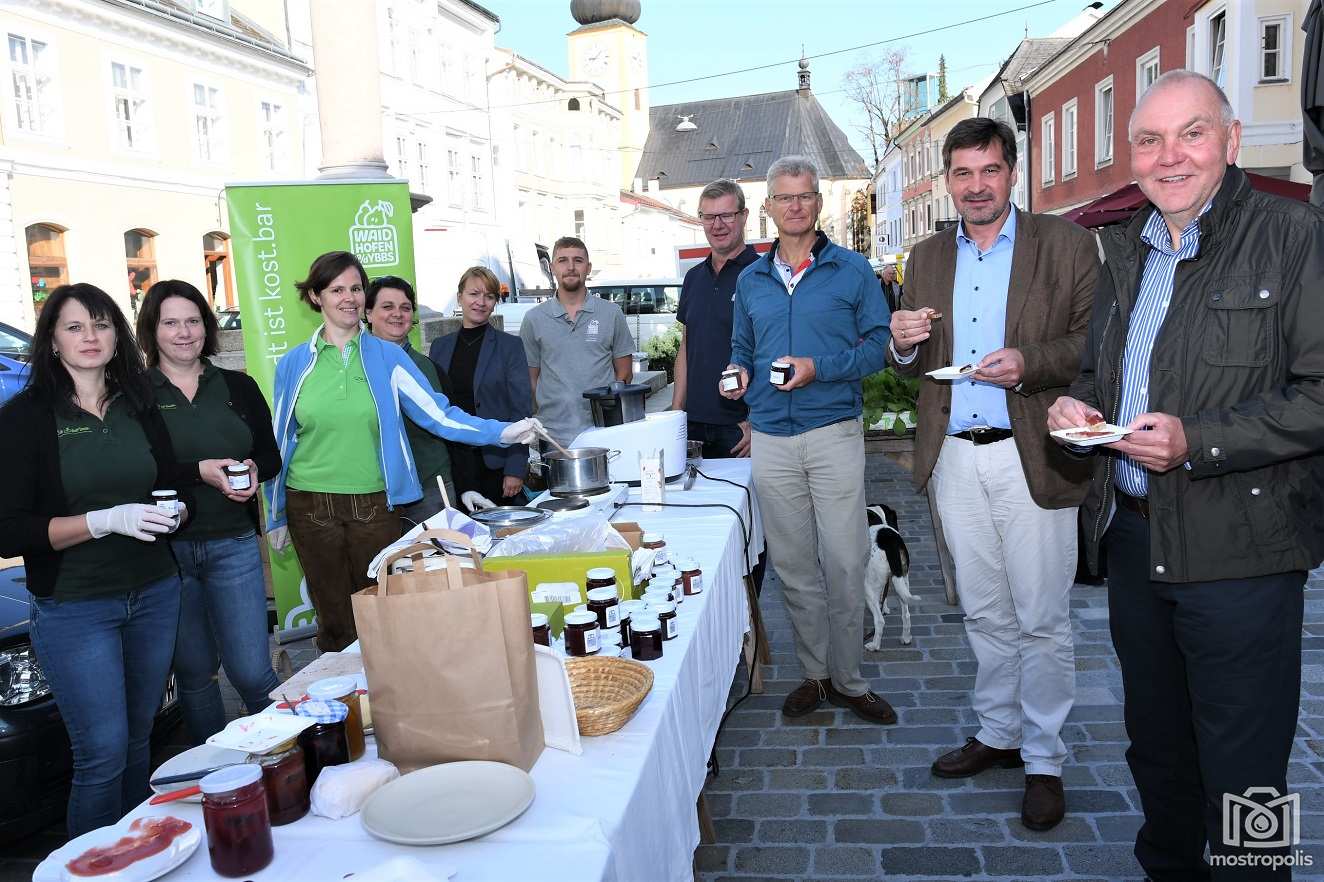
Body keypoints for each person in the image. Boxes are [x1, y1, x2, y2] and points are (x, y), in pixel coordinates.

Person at [1047, 70, 1324, 879]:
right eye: (1149, 139)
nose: (1169, 157)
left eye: (1191, 133)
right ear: (1131, 156)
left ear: (1230, 142)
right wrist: (1078, 407)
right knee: (1159, 753)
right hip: (1135, 544)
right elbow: (1109, 374)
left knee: (1246, 773)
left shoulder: (1296, 235)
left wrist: (1196, 442)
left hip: (1242, 551)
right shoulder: (1126, 245)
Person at [888, 117, 1098, 831]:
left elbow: (1092, 345)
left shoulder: (1066, 245)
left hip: (1027, 450)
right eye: (962, 173)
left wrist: (1029, 364)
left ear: (1012, 172)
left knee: (1041, 617)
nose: (976, 187)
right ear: (949, 180)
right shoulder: (924, 257)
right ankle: (999, 731)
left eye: (989, 171)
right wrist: (903, 343)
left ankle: (1044, 759)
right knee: (983, 610)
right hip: (953, 454)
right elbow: (912, 360)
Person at [0, 284, 224, 836]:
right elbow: (10, 529)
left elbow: (170, 481)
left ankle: (136, 854)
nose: (90, 337)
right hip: (77, 607)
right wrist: (103, 521)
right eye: (75, 327)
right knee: (100, 754)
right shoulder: (26, 416)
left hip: (153, 591)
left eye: (100, 324)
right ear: (51, 339)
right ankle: (94, 867)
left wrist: (176, 512)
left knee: (137, 740)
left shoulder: (137, 402)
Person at [265, 251, 542, 651]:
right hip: (309, 506)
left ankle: (395, 702)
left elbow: (440, 416)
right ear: (315, 297)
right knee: (335, 623)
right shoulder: (293, 364)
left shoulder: (389, 357)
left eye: (356, 288)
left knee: (384, 618)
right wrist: (275, 514)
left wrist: (503, 433)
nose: (349, 298)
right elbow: (280, 439)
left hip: (375, 505)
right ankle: (346, 706)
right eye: (337, 289)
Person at [723, 155, 895, 725]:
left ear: (819, 203)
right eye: (784, 197)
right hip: (771, 436)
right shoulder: (751, 279)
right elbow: (742, 349)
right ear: (768, 207)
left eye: (805, 196)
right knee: (794, 567)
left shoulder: (852, 271)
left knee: (845, 561)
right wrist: (739, 374)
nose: (795, 206)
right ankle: (815, 674)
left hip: (832, 432)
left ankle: (849, 678)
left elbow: (878, 347)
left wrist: (818, 368)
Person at [137, 280, 282, 745]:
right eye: (171, 322)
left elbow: (271, 454)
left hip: (233, 546)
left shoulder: (236, 385)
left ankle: (287, 756)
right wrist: (199, 471)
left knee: (253, 672)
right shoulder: (134, 394)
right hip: (166, 555)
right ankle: (214, 777)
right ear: (152, 330)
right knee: (196, 678)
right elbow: (138, 470)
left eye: (193, 321)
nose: (184, 333)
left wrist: (256, 468)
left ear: (207, 326)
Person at [429, 266, 532, 506]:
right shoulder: (440, 347)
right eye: (474, 294)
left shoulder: (510, 346)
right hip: (454, 464)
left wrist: (515, 468)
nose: (481, 302)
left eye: (489, 296)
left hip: (494, 462)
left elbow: (521, 410)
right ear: (460, 297)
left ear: (496, 302)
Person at [671, 178, 758, 459]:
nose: (717, 225)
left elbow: (778, 351)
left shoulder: (763, 274)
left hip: (742, 427)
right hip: (693, 426)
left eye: (726, 215)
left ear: (744, 217)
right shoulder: (693, 278)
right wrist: (675, 414)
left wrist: (760, 420)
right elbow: (686, 347)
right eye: (709, 216)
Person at [520, 236, 635, 449]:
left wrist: (608, 413)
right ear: (552, 267)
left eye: (578, 260)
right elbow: (531, 380)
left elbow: (625, 373)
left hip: (603, 433)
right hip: (552, 437)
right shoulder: (534, 319)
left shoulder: (611, 313)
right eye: (563, 260)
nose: (571, 267)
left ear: (588, 267)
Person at [364, 275, 457, 526]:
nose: (397, 314)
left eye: (405, 308)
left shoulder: (425, 368)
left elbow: (448, 424)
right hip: (371, 494)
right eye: (387, 306)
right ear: (368, 313)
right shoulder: (353, 367)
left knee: (435, 563)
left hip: (427, 491)